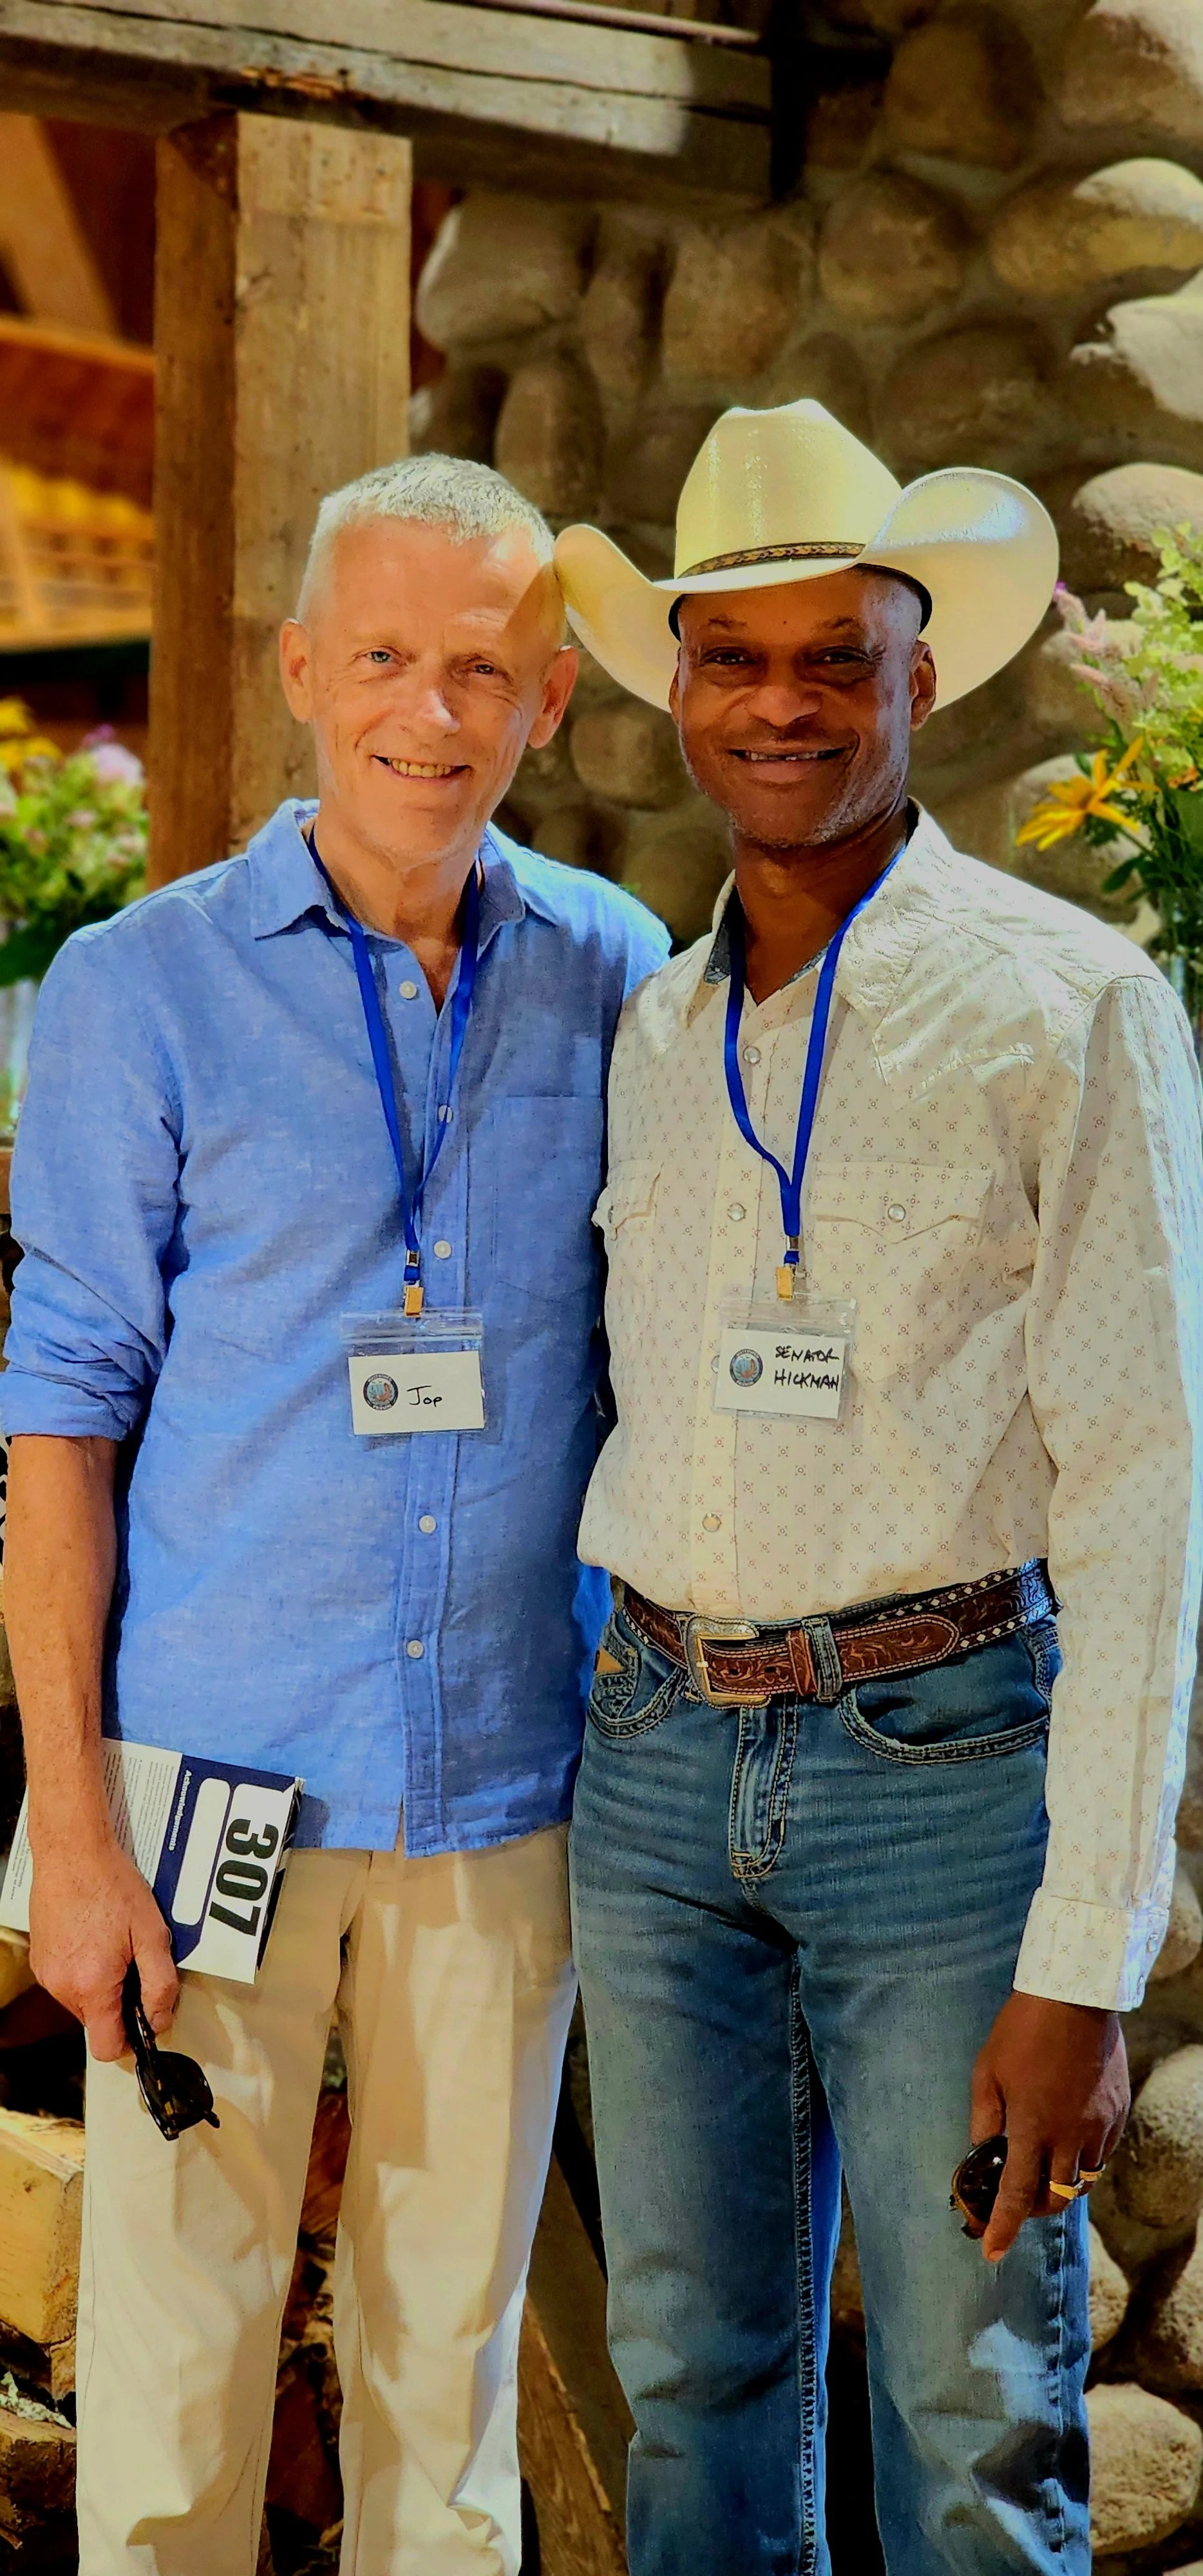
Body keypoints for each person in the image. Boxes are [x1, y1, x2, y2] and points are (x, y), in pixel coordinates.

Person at [1, 453, 668, 2576]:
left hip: (507, 1786)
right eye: (382, 655)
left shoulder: (619, 971)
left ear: (549, 700)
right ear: (301, 669)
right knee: (176, 2389)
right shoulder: (141, 989)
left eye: (480, 666)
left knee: (445, 2394)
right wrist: (74, 1836)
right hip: (211, 1786)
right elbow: (59, 1424)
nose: (428, 710)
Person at [554, 399, 1203, 2574]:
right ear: (674, 686)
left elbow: (1144, 1494)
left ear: (922, 672)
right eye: (733, 656)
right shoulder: (652, 1037)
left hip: (941, 1782)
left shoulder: (1069, 1006)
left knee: (968, 2411)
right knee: (690, 2381)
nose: (783, 702)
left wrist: (1085, 1957)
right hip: (654, 1767)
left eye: (838, 655)